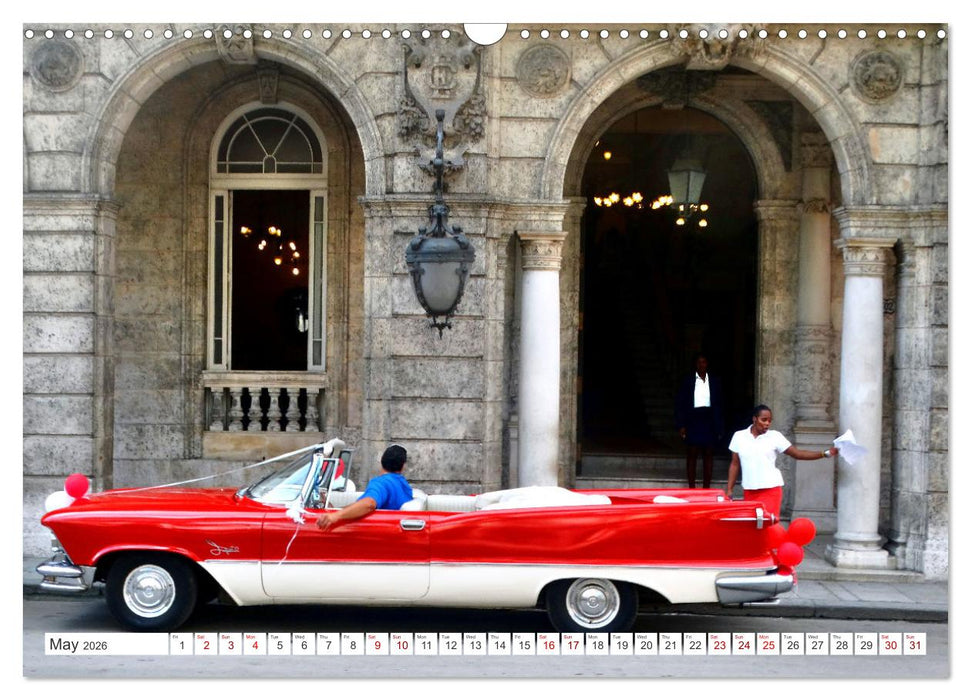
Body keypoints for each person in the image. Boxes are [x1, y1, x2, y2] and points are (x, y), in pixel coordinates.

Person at [726, 404, 839, 517]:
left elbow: (797, 454)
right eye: (764, 420)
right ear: (755, 419)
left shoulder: (775, 436)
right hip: (749, 490)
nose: (767, 423)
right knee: (752, 527)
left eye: (770, 421)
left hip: (771, 489)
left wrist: (824, 454)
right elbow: (735, 464)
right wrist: (729, 489)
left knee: (768, 525)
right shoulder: (739, 436)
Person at [316, 444, 412, 530]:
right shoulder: (404, 485)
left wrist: (335, 516)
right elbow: (363, 504)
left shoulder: (382, 483)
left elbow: (369, 504)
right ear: (402, 466)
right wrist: (335, 510)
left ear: (382, 460)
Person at [674, 353, 724, 488]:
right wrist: (682, 424)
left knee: (708, 452)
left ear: (707, 364)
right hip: (693, 418)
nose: (701, 365)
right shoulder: (688, 380)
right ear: (695, 364)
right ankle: (691, 487)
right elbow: (681, 403)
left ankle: (706, 487)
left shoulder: (714, 380)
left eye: (704, 362)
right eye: (699, 362)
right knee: (692, 452)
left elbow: (719, 404)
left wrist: (719, 426)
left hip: (709, 418)